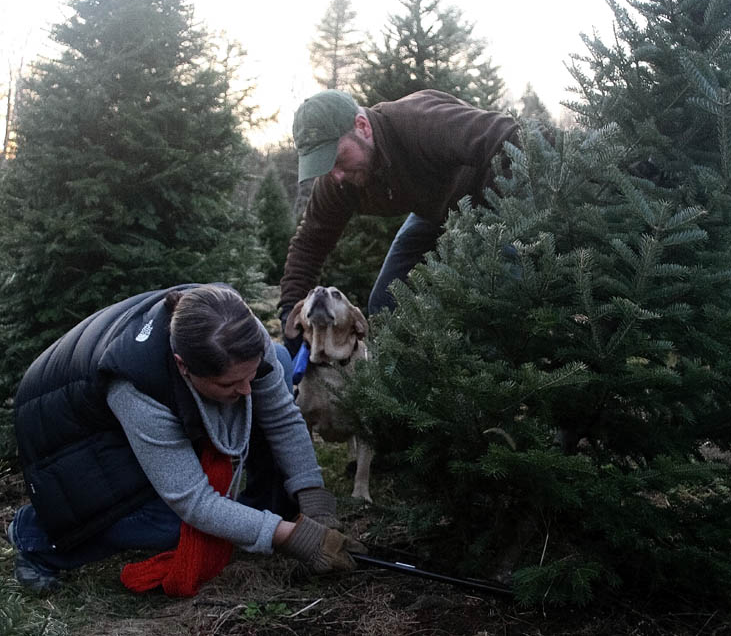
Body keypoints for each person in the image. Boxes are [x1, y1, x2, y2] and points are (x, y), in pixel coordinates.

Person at [8, 283, 363, 594]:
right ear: (183, 366)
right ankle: (37, 536)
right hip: (74, 436)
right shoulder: (134, 385)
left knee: (281, 362)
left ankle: (259, 511)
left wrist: (315, 505)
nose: (246, 389)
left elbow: (284, 418)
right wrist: (292, 538)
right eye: (229, 384)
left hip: (136, 402)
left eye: (250, 377)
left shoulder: (240, 331)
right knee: (170, 523)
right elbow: (194, 502)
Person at [279, 89, 520, 354]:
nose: (335, 175)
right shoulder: (337, 182)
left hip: (495, 203)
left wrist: (505, 211)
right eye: (324, 166)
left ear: (362, 127)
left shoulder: (420, 121)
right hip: (433, 214)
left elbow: (515, 136)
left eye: (336, 159)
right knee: (386, 302)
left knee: (501, 293)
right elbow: (310, 243)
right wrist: (290, 313)